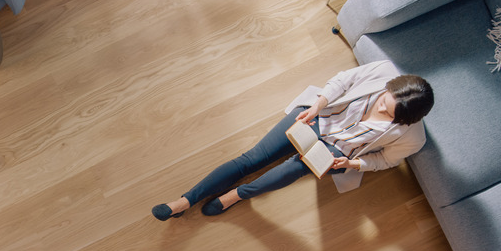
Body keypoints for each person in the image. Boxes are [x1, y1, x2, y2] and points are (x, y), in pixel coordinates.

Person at [151, 60, 434, 221]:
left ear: (406, 120)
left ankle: (237, 195)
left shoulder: (412, 137)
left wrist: (354, 163)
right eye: (384, 101)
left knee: (294, 168)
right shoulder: (384, 72)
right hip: (319, 117)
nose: (382, 109)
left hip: (338, 149)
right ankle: (185, 201)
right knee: (252, 159)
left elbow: (385, 160)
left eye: (389, 114)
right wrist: (317, 105)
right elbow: (342, 81)